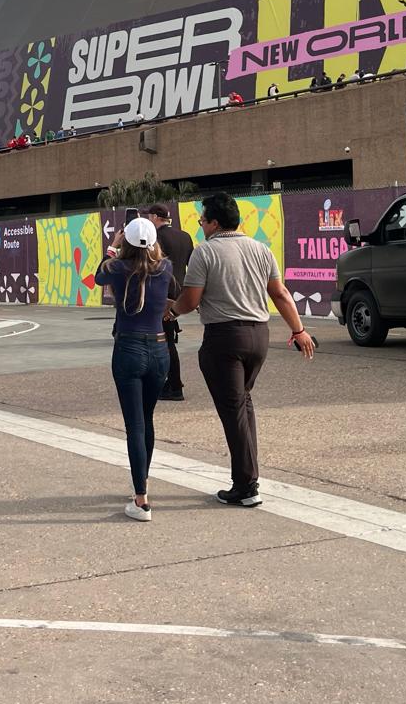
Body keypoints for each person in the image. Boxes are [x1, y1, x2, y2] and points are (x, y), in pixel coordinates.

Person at [168, 193, 315, 507]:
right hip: (259, 337)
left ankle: (246, 486)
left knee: (233, 412)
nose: (199, 223)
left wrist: (172, 311)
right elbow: (280, 293)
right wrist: (298, 330)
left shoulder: (205, 252)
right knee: (243, 405)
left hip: (224, 338)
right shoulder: (261, 249)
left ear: (214, 223)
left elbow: (191, 300)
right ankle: (248, 478)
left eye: (202, 219)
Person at [98, 217, 172, 521]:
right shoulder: (164, 268)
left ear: (125, 241)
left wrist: (112, 247)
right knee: (147, 419)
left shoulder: (116, 267)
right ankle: (143, 481)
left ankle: (141, 500)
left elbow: (98, 277)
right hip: (159, 348)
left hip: (128, 348)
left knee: (135, 425)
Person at [143, 205, 193, 402]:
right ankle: (172, 382)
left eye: (149, 216)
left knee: (165, 343)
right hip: (179, 293)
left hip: (160, 294)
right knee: (167, 339)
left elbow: (151, 266)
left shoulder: (155, 238)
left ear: (155, 217)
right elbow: (192, 264)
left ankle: (173, 385)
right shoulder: (185, 236)